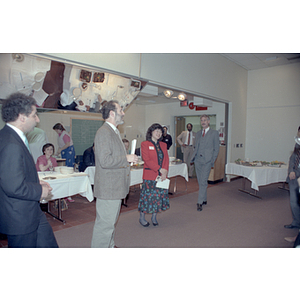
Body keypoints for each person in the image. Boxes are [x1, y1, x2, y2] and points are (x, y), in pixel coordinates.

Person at [0, 92, 58, 248]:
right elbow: (13, 186)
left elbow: (12, 174)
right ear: (22, 117)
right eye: (35, 115)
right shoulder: (11, 143)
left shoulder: (11, 137)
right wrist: (40, 190)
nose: (37, 119)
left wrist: (34, 180)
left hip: (30, 211)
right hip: (19, 215)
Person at [91, 100, 138, 248]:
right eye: (121, 110)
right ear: (112, 113)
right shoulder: (104, 132)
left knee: (109, 223)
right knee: (104, 226)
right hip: (108, 189)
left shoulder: (114, 131)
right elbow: (105, 161)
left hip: (114, 188)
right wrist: (126, 158)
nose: (123, 113)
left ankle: (109, 246)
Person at [138, 123, 169, 227]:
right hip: (150, 176)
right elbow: (147, 160)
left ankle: (154, 217)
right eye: (156, 131)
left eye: (160, 131)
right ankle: (142, 217)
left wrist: (165, 172)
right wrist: (160, 169)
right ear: (151, 132)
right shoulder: (145, 144)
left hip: (161, 176)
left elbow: (166, 160)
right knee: (147, 198)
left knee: (158, 197)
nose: (159, 133)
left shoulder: (163, 145)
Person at [191, 114, 219, 212]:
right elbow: (196, 146)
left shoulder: (214, 133)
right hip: (198, 160)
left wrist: (212, 160)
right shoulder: (198, 133)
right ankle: (204, 199)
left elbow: (216, 148)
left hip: (207, 161)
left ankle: (199, 202)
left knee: (203, 181)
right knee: (200, 181)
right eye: (202, 120)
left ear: (209, 121)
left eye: (205, 120)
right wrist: (193, 157)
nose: (203, 122)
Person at [284, 126, 300, 229]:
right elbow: (292, 159)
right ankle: (296, 222)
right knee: (293, 202)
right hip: (294, 176)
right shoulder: (297, 143)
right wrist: (291, 171)